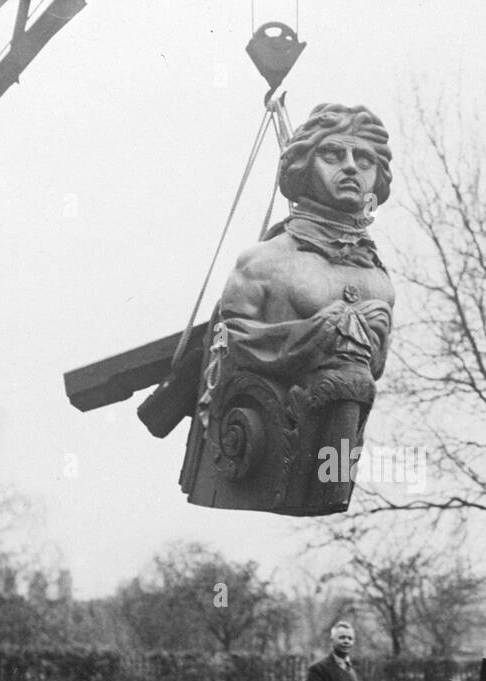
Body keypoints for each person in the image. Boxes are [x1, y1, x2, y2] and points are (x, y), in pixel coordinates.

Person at [138, 103, 396, 516]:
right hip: (262, 445)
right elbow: (232, 343)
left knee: (332, 482)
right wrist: (320, 333)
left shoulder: (379, 277)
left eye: (363, 158)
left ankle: (329, 490)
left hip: (335, 435)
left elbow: (373, 367)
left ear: (377, 176)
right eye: (333, 154)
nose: (350, 167)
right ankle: (318, 489)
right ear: (303, 167)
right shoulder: (264, 262)